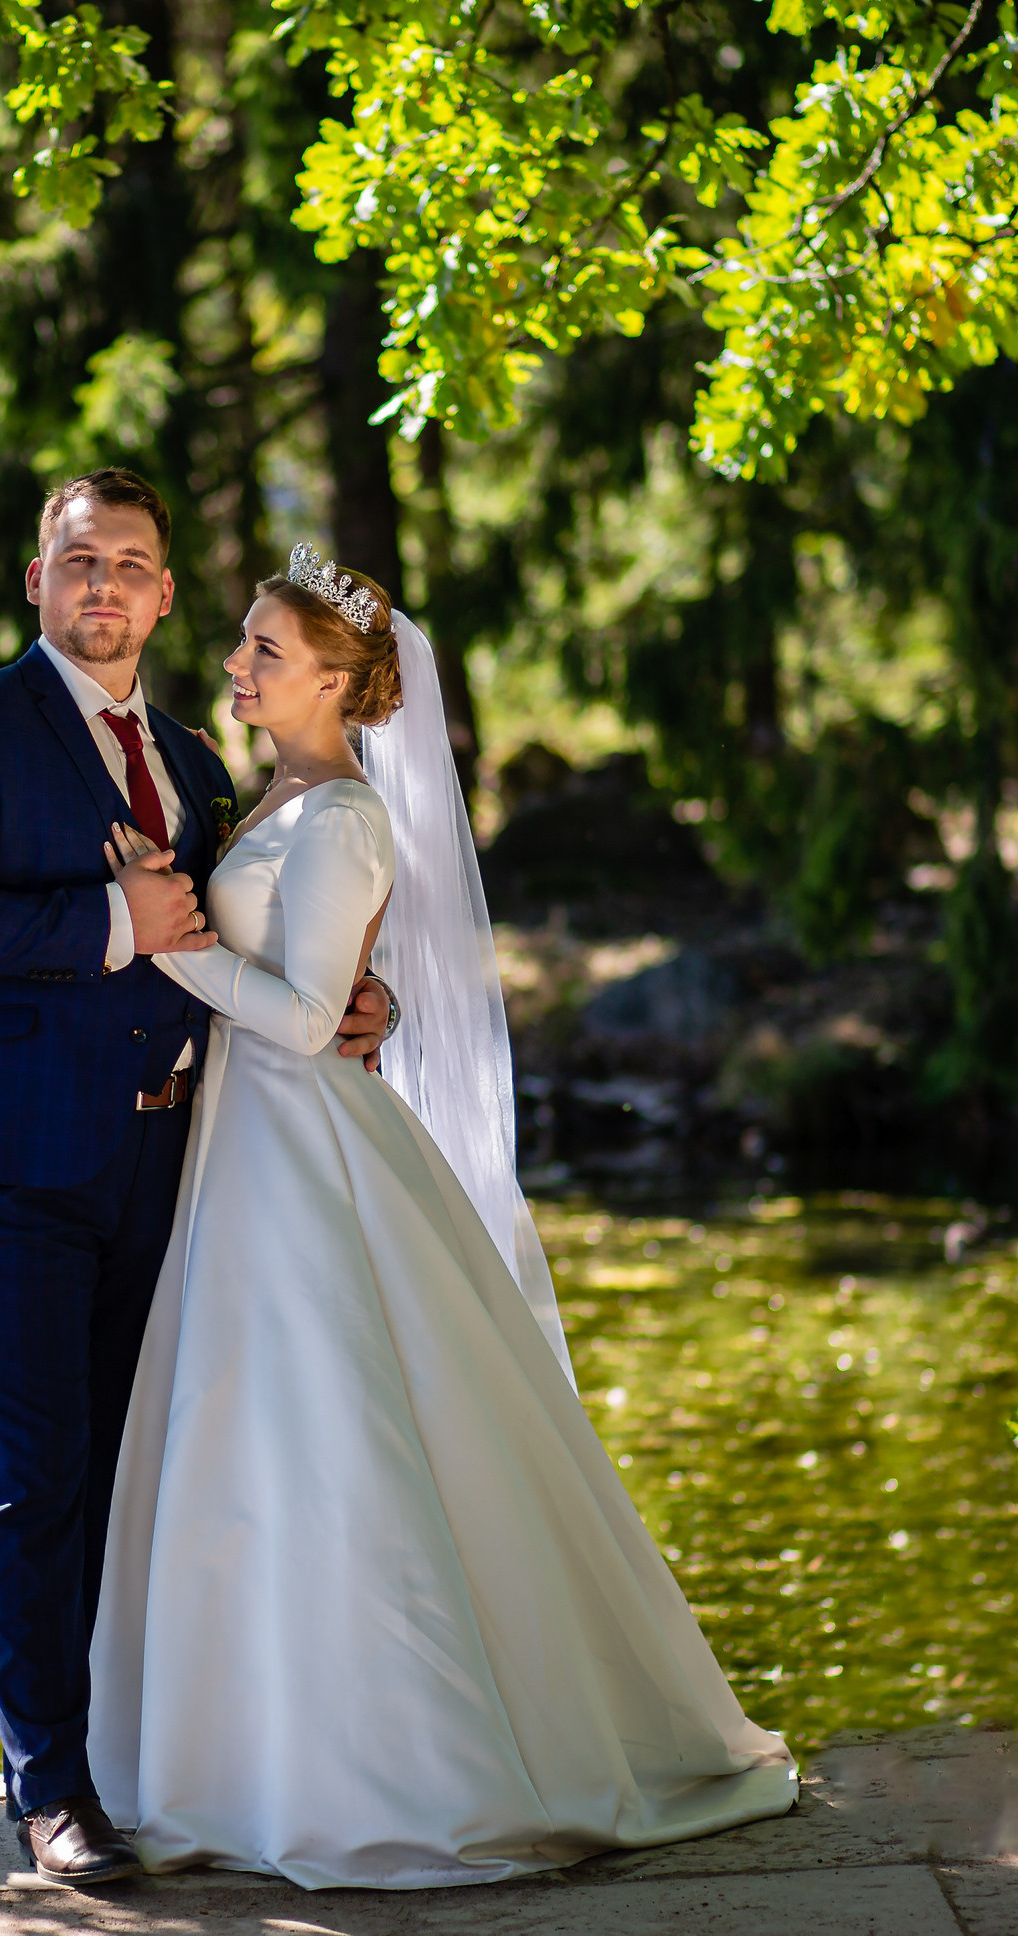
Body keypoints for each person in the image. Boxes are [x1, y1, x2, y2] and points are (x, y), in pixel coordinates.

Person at [86, 546, 799, 1888]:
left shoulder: (345, 816)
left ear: (343, 686)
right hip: (246, 1153)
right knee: (249, 1450)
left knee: (331, 1442)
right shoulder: (276, 799)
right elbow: (325, 984)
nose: (237, 666)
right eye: (242, 643)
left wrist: (175, 941)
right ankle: (251, 1760)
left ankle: (393, 1767)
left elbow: (301, 1016)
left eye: (267, 655)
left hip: (298, 1154)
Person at [0, 474, 394, 1885]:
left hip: (177, 1155)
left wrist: (364, 1001)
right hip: (9, 1160)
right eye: (79, 562)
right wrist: (107, 919)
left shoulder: (194, 761)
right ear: (35, 581)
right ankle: (49, 1789)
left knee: (138, 1467)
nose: (103, 586)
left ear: (165, 596)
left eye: (133, 567)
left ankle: (139, 1758)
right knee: (30, 1471)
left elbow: (270, 929)